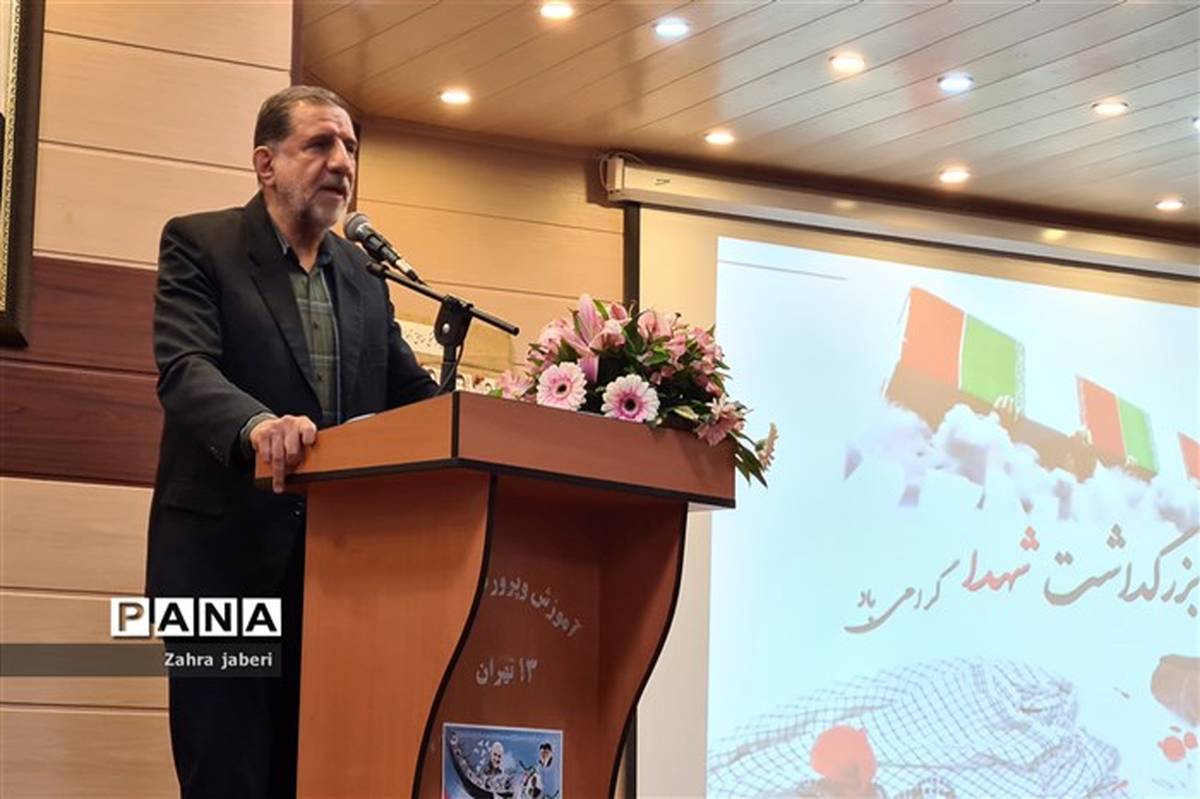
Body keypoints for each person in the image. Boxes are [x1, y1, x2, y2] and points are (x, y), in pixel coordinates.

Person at [145, 85, 437, 798]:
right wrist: (257, 427)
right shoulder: (200, 242)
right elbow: (186, 368)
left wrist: (506, 415)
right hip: (219, 571)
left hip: (338, 573)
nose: (342, 162)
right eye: (320, 144)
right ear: (265, 163)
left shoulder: (364, 276)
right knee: (227, 777)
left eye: (351, 148)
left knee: (315, 775)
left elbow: (412, 396)